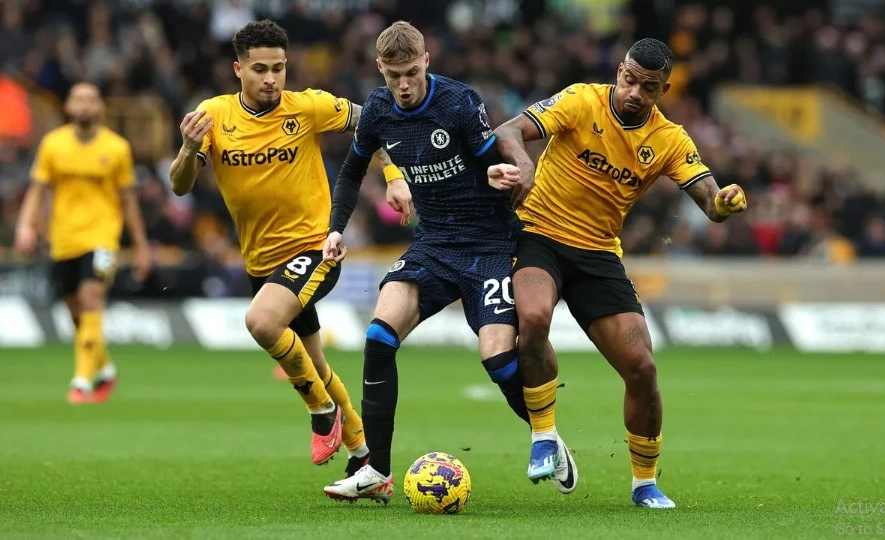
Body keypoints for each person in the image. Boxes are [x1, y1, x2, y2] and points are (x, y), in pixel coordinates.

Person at [321, 21, 577, 504]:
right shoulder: (377, 109)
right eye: (394, 74)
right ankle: (376, 469)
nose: (403, 84)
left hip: (489, 242)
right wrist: (336, 227)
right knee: (378, 336)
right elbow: (353, 169)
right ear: (380, 69)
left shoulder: (460, 101)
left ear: (427, 61)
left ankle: (546, 435)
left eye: (412, 72)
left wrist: (502, 174)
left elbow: (487, 157)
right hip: (434, 244)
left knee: (498, 358)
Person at [492, 38, 748, 509]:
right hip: (540, 235)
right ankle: (544, 436)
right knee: (533, 317)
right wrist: (523, 162)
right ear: (619, 71)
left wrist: (724, 202)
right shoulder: (579, 100)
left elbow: (710, 202)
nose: (634, 92)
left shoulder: (669, 139)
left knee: (643, 368)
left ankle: (644, 483)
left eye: (647, 87)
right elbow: (508, 129)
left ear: (663, 89)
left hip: (597, 257)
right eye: (629, 80)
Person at [168, 19, 388, 475]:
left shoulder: (308, 107)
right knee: (315, 361)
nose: (271, 78)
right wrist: (190, 150)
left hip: (316, 248)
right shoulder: (214, 116)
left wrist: (394, 176)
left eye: (279, 68)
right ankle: (364, 460)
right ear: (238, 70)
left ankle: (320, 410)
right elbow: (180, 186)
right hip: (261, 263)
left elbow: (373, 121)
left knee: (261, 321)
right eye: (261, 69)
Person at [15, 82, 152, 404]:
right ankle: (106, 371)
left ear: (101, 107)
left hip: (103, 238)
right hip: (62, 240)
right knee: (76, 313)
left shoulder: (117, 148)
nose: (86, 105)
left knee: (91, 299)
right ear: (69, 107)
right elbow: (37, 190)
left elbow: (128, 201)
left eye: (92, 100)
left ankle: (80, 383)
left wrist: (141, 245)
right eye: (79, 99)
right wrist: (25, 226)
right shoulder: (53, 144)